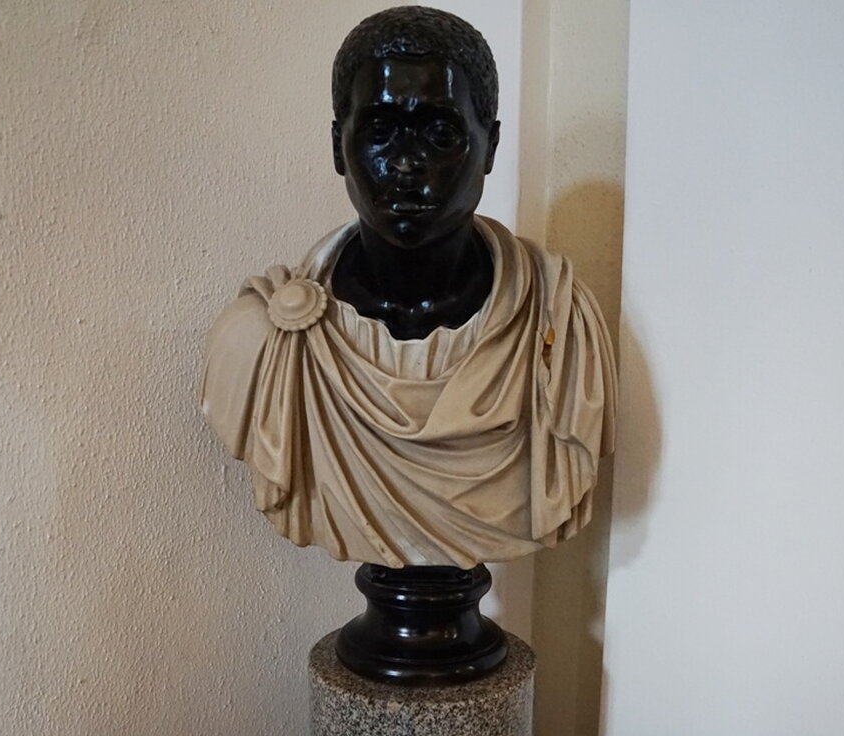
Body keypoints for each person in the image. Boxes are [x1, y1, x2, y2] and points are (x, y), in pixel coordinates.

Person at [201, 6, 615, 569]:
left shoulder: (563, 329)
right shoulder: (262, 343)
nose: (406, 163)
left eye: (441, 133)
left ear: (490, 146)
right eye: (380, 131)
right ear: (338, 145)